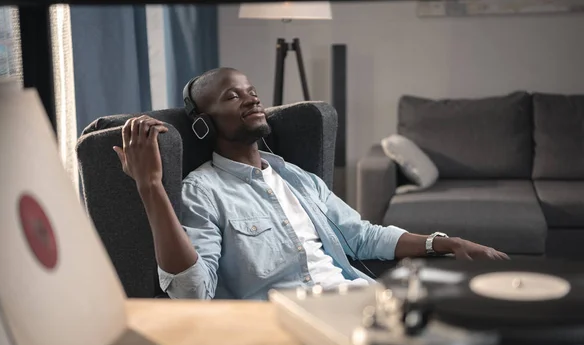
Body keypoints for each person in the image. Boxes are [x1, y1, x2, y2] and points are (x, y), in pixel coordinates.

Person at [113, 67, 509, 300]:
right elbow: (193, 292)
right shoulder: (203, 191)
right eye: (232, 96)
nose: (252, 99)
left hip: (354, 300)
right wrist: (151, 187)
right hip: (285, 324)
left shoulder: (296, 177)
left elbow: (362, 235)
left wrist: (445, 242)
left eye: (252, 92)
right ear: (204, 122)